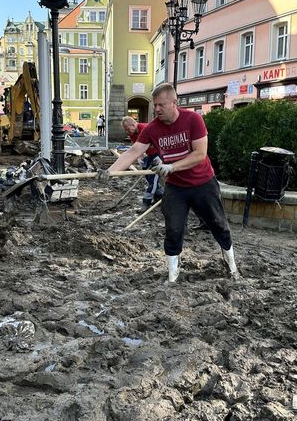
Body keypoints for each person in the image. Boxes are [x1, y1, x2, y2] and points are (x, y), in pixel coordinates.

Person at [98, 83, 238, 283]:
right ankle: (173, 276)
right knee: (173, 230)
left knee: (219, 225)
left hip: (202, 183)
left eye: (161, 105)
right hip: (176, 188)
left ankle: (232, 266)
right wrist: (110, 172)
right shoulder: (153, 128)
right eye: (155, 105)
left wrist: (172, 167)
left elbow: (200, 154)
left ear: (174, 102)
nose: (156, 109)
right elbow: (133, 152)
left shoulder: (194, 119)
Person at [121, 116, 164, 212]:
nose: (127, 132)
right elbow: (135, 148)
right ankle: (160, 197)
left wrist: (161, 157)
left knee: (153, 178)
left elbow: (161, 141)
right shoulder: (132, 134)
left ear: (133, 124)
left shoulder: (145, 128)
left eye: (128, 129)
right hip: (150, 154)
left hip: (160, 153)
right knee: (148, 177)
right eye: (126, 130)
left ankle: (146, 202)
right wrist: (140, 158)